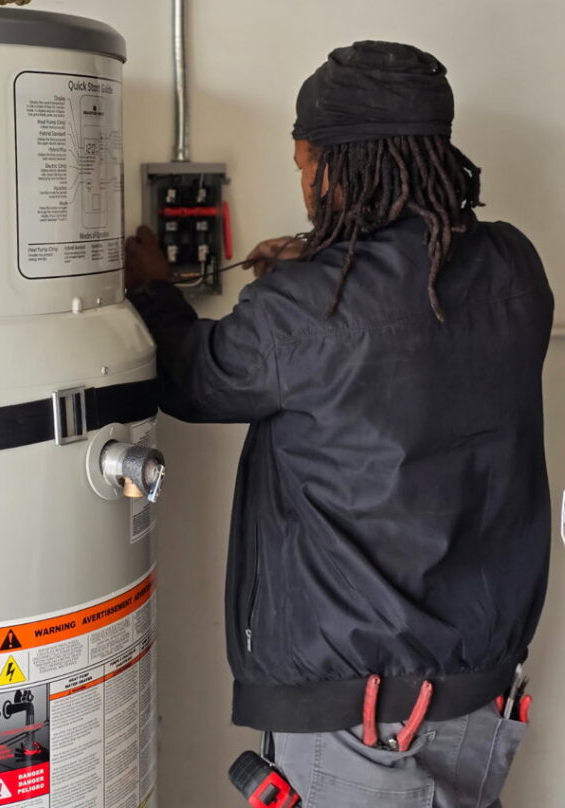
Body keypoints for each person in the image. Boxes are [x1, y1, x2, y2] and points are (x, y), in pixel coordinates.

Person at [125, 40, 553, 807]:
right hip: (481, 693)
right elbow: (409, 327)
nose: (304, 183)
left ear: (340, 166)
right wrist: (326, 258)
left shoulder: (308, 309)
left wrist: (157, 290)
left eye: (303, 165)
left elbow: (193, 378)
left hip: (366, 713)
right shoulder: (516, 268)